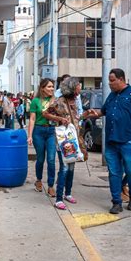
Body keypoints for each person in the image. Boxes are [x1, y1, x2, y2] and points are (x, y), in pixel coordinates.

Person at [85, 68, 131, 214]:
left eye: (112, 80)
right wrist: (94, 113)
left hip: (128, 141)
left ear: (121, 79)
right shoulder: (111, 96)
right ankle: (116, 202)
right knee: (114, 173)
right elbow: (104, 111)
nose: (110, 83)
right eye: (109, 80)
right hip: (111, 142)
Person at [43, 77, 88, 210]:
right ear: (73, 88)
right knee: (64, 167)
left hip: (74, 138)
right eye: (79, 86)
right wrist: (60, 119)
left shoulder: (75, 101)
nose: (80, 88)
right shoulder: (60, 101)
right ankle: (58, 198)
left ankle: (68, 193)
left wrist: (86, 115)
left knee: (72, 167)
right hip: (63, 140)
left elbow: (76, 118)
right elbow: (45, 114)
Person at [27, 79, 56, 198]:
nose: (52, 89)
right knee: (40, 159)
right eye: (49, 87)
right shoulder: (35, 101)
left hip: (51, 131)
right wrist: (29, 136)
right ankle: (38, 180)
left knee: (51, 159)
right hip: (38, 131)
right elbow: (32, 119)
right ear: (42, 88)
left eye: (53, 87)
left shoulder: (55, 101)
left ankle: (50, 186)